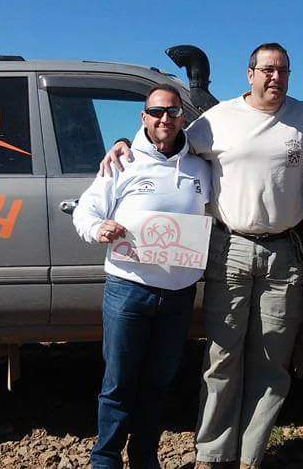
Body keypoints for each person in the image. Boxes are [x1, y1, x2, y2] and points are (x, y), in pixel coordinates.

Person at [102, 43, 303, 468]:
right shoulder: (218, 119)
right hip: (230, 247)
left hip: (285, 252)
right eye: (267, 69)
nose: (275, 77)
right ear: (249, 73)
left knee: (272, 360)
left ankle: (250, 456)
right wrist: (124, 141)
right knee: (222, 356)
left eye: (283, 70)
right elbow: (166, 138)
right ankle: (213, 454)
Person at [73, 84, 211, 469]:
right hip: (128, 290)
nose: (165, 118)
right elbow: (85, 211)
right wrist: (98, 228)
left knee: (157, 384)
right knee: (118, 383)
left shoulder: (201, 168)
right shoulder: (123, 162)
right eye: (157, 111)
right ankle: (105, 459)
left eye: (173, 111)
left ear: (183, 117)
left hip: (179, 295)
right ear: (144, 117)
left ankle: (144, 456)